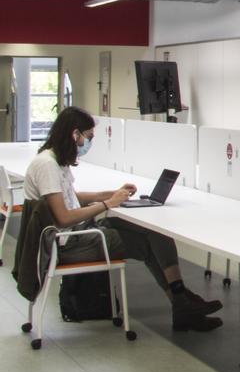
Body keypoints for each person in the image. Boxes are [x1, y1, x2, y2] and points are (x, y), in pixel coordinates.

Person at [23, 107, 222, 332]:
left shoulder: (53, 161)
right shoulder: (47, 166)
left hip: (74, 236)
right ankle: (182, 303)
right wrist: (108, 204)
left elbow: (69, 198)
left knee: (154, 231)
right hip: (69, 244)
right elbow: (64, 216)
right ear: (75, 134)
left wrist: (108, 194)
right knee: (149, 241)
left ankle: (182, 304)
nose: (89, 143)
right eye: (88, 137)